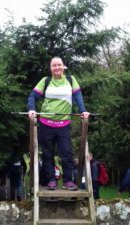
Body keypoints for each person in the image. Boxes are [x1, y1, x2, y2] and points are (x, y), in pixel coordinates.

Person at [27, 56, 90, 190]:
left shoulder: (70, 80)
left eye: (59, 65)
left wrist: (83, 111)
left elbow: (78, 97)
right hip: (45, 124)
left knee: (66, 153)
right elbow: (33, 96)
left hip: (63, 125)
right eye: (54, 65)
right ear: (50, 68)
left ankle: (68, 181)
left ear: (63, 66)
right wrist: (32, 109)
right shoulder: (45, 81)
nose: (57, 67)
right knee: (47, 154)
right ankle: (51, 180)